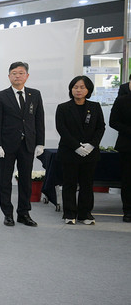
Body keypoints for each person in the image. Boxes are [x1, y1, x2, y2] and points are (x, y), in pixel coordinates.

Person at [0, 61, 45, 227]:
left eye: (21, 73)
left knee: (25, 181)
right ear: (9, 76)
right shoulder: (1, 96)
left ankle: (24, 213)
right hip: (6, 145)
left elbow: (39, 120)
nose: (17, 76)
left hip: (28, 144)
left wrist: (40, 143)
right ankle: (7, 214)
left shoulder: (35, 94)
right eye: (14, 73)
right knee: (5, 181)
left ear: (27, 76)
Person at [55, 76, 106, 224]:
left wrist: (92, 145)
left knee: (87, 184)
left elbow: (100, 127)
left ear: (88, 90)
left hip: (90, 153)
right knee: (69, 184)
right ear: (71, 89)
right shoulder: (63, 107)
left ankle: (85, 214)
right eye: (75, 87)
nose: (78, 90)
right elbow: (61, 129)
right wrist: (76, 146)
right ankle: (69, 213)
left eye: (82, 87)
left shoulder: (95, 106)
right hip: (69, 151)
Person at [109, 82, 131, 222]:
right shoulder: (122, 101)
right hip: (127, 145)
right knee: (128, 180)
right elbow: (113, 122)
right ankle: (128, 211)